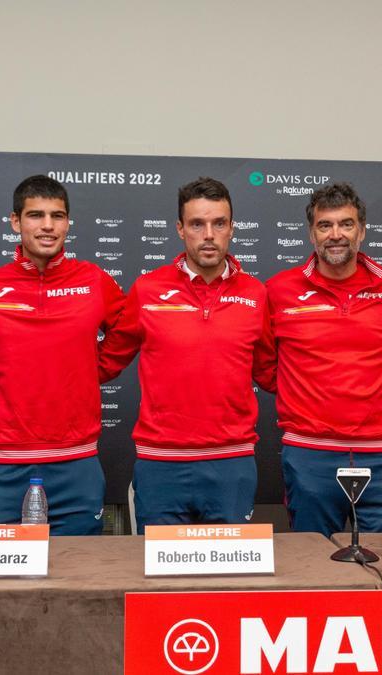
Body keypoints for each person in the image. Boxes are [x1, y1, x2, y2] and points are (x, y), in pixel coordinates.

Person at [0, 175, 124, 535]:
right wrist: (10, 362)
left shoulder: (94, 281)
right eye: (36, 215)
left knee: (80, 577)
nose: (47, 226)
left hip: (76, 462)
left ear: (67, 222)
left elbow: (128, 334)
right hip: (1, 462)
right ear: (16, 222)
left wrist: (90, 370)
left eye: (57, 216)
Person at [99, 177, 274, 533]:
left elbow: (271, 373)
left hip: (232, 463)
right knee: (162, 582)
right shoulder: (147, 290)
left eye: (218, 224)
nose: (208, 234)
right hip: (161, 464)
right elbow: (105, 363)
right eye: (197, 224)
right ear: (181, 229)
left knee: (231, 580)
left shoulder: (256, 294)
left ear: (231, 229)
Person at [265, 182, 382, 537]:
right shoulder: (279, 290)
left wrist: (365, 380)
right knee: (315, 566)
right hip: (309, 453)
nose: (336, 234)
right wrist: (303, 388)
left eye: (346, 224)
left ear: (362, 231)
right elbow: (264, 363)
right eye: (325, 225)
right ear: (311, 233)